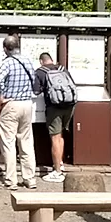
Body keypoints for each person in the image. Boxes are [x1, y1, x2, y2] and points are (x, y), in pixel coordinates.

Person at [0, 34, 39, 190]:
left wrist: (1, 96)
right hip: (27, 104)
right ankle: (29, 178)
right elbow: (34, 80)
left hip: (11, 104)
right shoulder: (27, 61)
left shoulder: (7, 63)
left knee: (8, 143)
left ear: (6, 49)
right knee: (26, 142)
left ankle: (11, 180)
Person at [35, 52, 78, 183]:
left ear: (41, 61)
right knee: (60, 136)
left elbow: (36, 91)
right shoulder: (62, 69)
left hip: (54, 108)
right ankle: (60, 163)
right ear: (52, 60)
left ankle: (57, 171)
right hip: (69, 105)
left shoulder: (40, 72)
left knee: (55, 137)